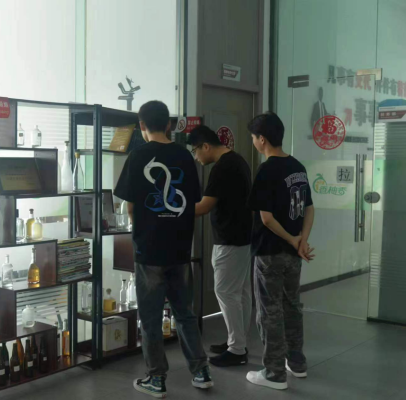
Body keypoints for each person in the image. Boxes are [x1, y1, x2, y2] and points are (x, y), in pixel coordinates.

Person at [114, 100, 211, 398]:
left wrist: (146, 227)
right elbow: (193, 202)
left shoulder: (137, 156)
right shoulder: (184, 156)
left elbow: (130, 208)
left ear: (142, 125)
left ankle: (156, 379)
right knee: (185, 313)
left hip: (149, 250)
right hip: (180, 249)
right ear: (169, 125)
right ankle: (201, 372)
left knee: (151, 318)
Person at [246, 112, 315, 391]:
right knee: (292, 306)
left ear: (262, 139)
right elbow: (309, 207)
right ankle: (296, 362)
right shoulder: (297, 167)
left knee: (269, 311)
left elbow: (266, 218)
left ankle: (274, 373)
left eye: (253, 138)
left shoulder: (267, 170)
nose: (253, 142)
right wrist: (301, 241)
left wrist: (292, 239)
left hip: (270, 251)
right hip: (293, 254)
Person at [188, 125, 253, 367]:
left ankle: (237, 350)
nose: (196, 157)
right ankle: (238, 342)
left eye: (195, 151)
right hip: (242, 236)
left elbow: (204, 206)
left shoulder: (222, 167)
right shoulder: (238, 160)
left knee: (226, 292)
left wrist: (174, 212)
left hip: (230, 239)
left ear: (205, 146)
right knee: (241, 292)